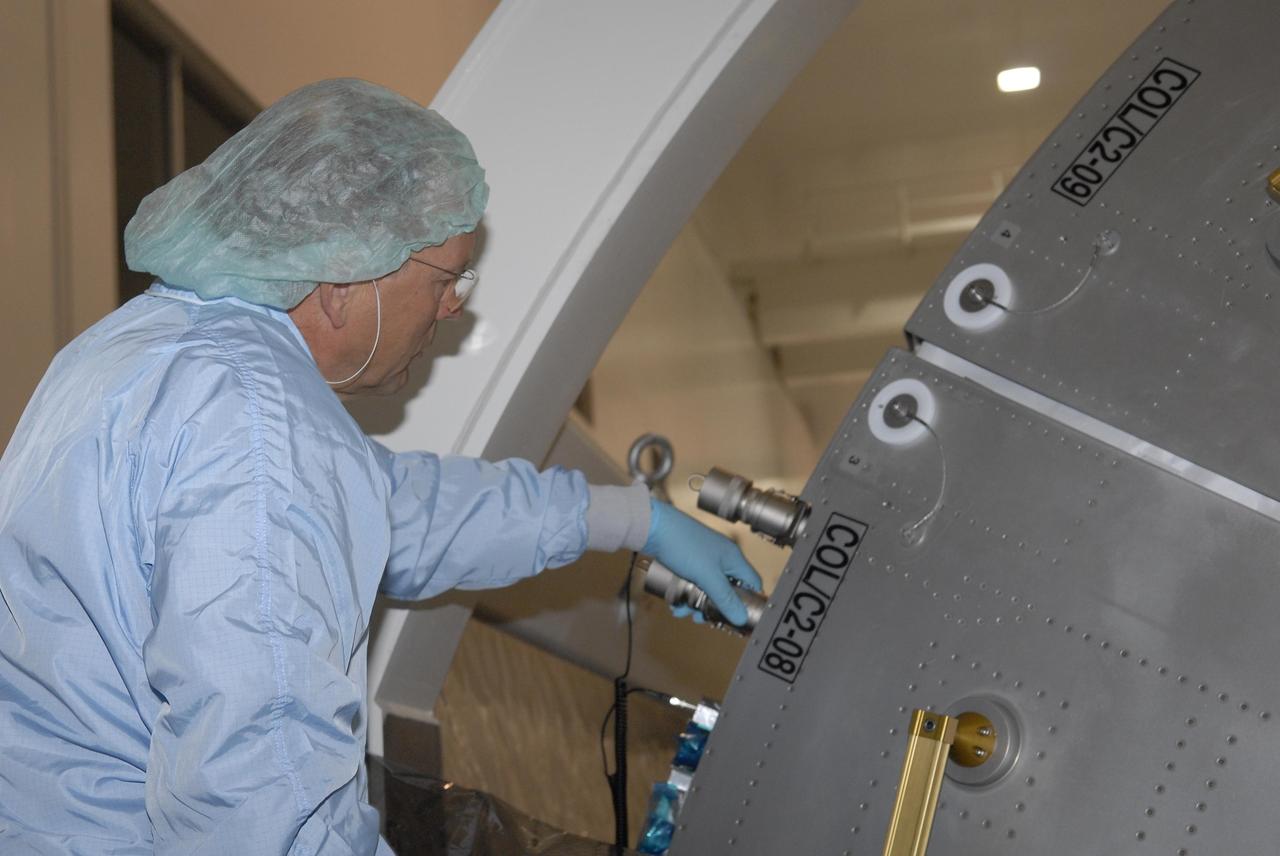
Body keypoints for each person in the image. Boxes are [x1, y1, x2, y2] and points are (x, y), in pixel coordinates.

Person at [0, 78, 760, 855]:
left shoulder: (146, 349)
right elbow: (261, 802)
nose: (454, 306)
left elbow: (399, 509)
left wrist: (635, 517)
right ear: (343, 278)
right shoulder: (263, 438)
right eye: (447, 278)